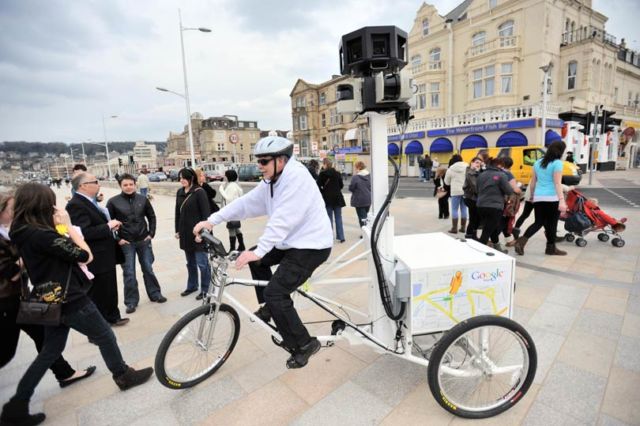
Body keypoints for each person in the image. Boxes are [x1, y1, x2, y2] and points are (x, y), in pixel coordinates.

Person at [1, 183, 153, 426]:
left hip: (44, 296)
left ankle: (16, 405)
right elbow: (85, 255)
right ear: (42, 205)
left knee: (49, 351)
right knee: (105, 335)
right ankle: (123, 374)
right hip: (69, 298)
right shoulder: (43, 235)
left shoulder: (20, 229)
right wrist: (68, 225)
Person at [193, 136, 332, 369]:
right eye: (258, 161)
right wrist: (212, 220)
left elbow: (283, 219)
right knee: (256, 260)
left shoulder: (296, 178)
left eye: (264, 161)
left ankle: (305, 344)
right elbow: (247, 203)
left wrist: (262, 250)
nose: (260, 166)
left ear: (282, 160)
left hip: (311, 245)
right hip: (289, 241)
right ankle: (269, 308)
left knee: (276, 293)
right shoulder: (272, 180)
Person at [0, 192, 95, 388]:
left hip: (22, 295)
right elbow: (10, 271)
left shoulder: (13, 230)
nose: (15, 212)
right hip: (6, 302)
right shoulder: (21, 232)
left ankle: (65, 373)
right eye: (11, 209)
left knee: (43, 337)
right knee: (5, 352)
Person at [66, 173, 129, 326]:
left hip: (105, 255)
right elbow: (83, 233)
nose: (98, 183)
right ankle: (100, 323)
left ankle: (112, 316)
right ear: (83, 186)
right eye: (95, 181)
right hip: (96, 256)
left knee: (108, 288)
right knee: (99, 291)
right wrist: (107, 226)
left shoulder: (89, 201)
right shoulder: (76, 205)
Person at [106, 174, 167, 314]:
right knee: (129, 273)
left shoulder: (143, 199)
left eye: (131, 184)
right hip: (125, 242)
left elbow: (151, 216)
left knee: (148, 268)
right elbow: (108, 223)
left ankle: (155, 294)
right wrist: (118, 239)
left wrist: (151, 233)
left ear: (135, 184)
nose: (128, 187)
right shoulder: (113, 202)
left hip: (143, 240)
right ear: (120, 186)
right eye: (125, 185)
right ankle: (131, 301)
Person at [514, 141, 568, 256]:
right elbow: (557, 183)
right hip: (552, 198)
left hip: (538, 197)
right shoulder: (557, 163)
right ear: (561, 151)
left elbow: (533, 182)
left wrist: (532, 196)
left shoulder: (538, 162)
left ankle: (522, 241)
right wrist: (562, 200)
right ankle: (551, 248)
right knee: (552, 224)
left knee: (538, 222)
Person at [175, 168, 211, 300]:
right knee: (190, 263)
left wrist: (202, 234)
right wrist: (177, 230)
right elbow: (177, 213)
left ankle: (206, 289)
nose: (181, 180)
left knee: (202, 263)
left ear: (191, 178)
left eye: (184, 178)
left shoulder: (199, 192)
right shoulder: (179, 192)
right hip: (185, 234)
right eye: (180, 178)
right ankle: (192, 286)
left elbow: (206, 215)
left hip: (198, 234)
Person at [476, 158, 514, 253]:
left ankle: (498, 249)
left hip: (481, 205)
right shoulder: (501, 175)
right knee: (487, 231)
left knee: (491, 228)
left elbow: (477, 189)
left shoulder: (481, 175)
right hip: (495, 206)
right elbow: (509, 191)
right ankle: (478, 253)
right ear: (499, 165)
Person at [318, 158, 346, 243]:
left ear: (325, 164)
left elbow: (318, 186)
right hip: (337, 198)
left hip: (327, 198)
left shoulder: (322, 174)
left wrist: (324, 191)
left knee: (328, 218)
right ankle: (341, 237)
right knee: (338, 218)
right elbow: (341, 185)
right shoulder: (337, 173)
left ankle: (329, 237)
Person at [218, 169, 246, 251]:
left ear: (228, 177)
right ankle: (241, 245)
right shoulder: (236, 185)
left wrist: (221, 190)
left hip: (232, 211)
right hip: (236, 211)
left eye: (225, 175)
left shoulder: (231, 187)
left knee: (231, 229)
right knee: (236, 227)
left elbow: (228, 198)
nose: (224, 177)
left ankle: (232, 248)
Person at [444, 154, 468, 234]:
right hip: (465, 191)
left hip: (455, 191)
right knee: (464, 209)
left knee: (454, 210)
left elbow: (446, 182)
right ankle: (463, 228)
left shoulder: (451, 169)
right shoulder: (467, 167)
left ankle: (454, 228)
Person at [462, 157, 483, 240]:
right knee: (474, 217)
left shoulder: (476, 172)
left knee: (476, 217)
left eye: (480, 163)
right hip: (471, 198)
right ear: (472, 162)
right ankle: (470, 235)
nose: (478, 164)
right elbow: (475, 187)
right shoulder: (471, 173)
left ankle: (472, 234)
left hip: (474, 198)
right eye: (477, 162)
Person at [348, 161, 371, 228]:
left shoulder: (355, 177)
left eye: (355, 168)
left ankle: (365, 233)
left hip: (359, 200)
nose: (355, 169)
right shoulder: (369, 176)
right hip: (368, 199)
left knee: (362, 218)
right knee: (366, 216)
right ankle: (367, 230)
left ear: (358, 168)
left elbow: (351, 188)